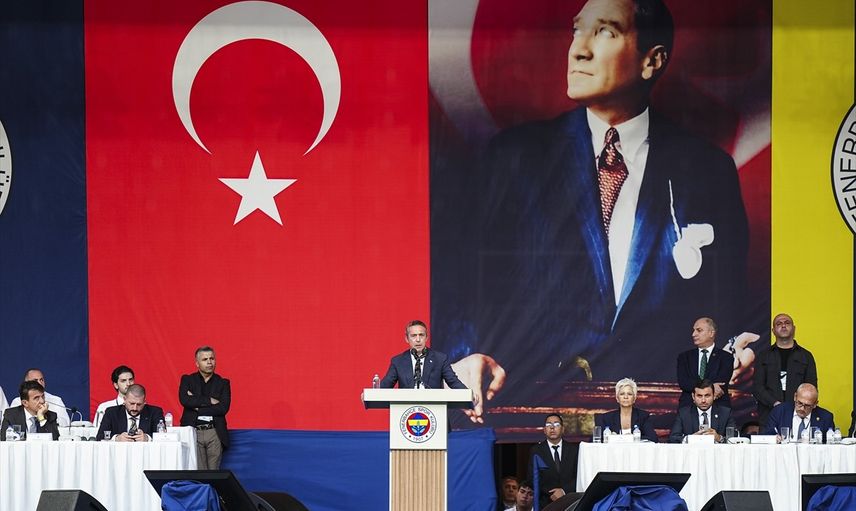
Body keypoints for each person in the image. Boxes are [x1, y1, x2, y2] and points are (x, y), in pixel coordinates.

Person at [438, 0, 753, 414]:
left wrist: (738, 350)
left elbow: (729, 303)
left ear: (652, 60)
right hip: (532, 411)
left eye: (605, 31)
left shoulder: (708, 169)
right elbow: (463, 285)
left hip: (658, 417)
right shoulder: (513, 158)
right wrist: (463, 356)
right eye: (576, 30)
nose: (578, 50)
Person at [379, 320, 481, 422]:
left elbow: (453, 381)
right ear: (407, 339)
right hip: (406, 416)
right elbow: (385, 386)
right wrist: (373, 391)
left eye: (421, 335)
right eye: (413, 336)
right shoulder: (398, 361)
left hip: (434, 415)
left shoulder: (440, 359)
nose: (418, 339)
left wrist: (468, 394)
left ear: (426, 337)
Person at [753, 313, 817, 427]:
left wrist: (798, 404)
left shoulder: (806, 356)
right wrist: (775, 403)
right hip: (769, 413)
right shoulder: (763, 355)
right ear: (773, 330)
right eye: (779, 324)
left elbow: (811, 386)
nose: (783, 326)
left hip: (799, 413)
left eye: (787, 323)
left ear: (794, 328)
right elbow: (758, 387)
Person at [180, 345, 231, 469]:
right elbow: (185, 400)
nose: (209, 362)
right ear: (197, 363)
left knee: (213, 474)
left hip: (214, 431)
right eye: (205, 359)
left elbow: (223, 408)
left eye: (212, 358)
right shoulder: (187, 380)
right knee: (199, 473)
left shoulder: (223, 383)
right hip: (193, 431)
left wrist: (197, 406)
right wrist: (209, 400)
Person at [676, 318, 734, 408]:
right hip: (689, 407)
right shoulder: (684, 357)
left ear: (711, 333)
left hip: (717, 407)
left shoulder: (726, 357)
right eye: (694, 330)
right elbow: (684, 383)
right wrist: (711, 386)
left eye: (699, 330)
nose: (693, 334)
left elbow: (721, 384)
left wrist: (696, 386)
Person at [527, 413, 575, 508]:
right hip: (546, 503)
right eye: (549, 425)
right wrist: (552, 493)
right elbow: (531, 478)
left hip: (571, 502)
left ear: (562, 429)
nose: (552, 428)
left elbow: (579, 476)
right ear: (544, 430)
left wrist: (563, 491)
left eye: (556, 424)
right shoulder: (536, 451)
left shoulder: (574, 450)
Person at [762, 383, 834, 443]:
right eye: (800, 403)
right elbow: (765, 436)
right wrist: (773, 438)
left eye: (807, 405)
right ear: (795, 397)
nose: (802, 408)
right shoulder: (779, 411)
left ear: (815, 404)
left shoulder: (825, 418)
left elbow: (830, 445)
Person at [669, 379, 735, 443]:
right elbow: (673, 438)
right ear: (693, 397)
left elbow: (734, 438)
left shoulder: (725, 413)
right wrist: (691, 439)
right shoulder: (684, 413)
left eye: (707, 396)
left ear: (714, 396)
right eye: (699, 396)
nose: (703, 400)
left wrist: (719, 438)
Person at [595, 377, 658, 441]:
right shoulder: (606, 418)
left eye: (629, 394)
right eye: (622, 394)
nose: (625, 397)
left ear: (634, 398)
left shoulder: (643, 416)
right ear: (617, 398)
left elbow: (653, 438)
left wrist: (631, 438)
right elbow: (596, 440)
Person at [96, 384, 164, 442]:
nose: (135, 408)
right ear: (124, 399)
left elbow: (163, 437)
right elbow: (100, 437)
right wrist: (117, 438)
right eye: (132, 403)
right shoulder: (111, 413)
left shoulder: (155, 412)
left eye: (139, 404)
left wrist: (147, 438)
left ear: (144, 402)